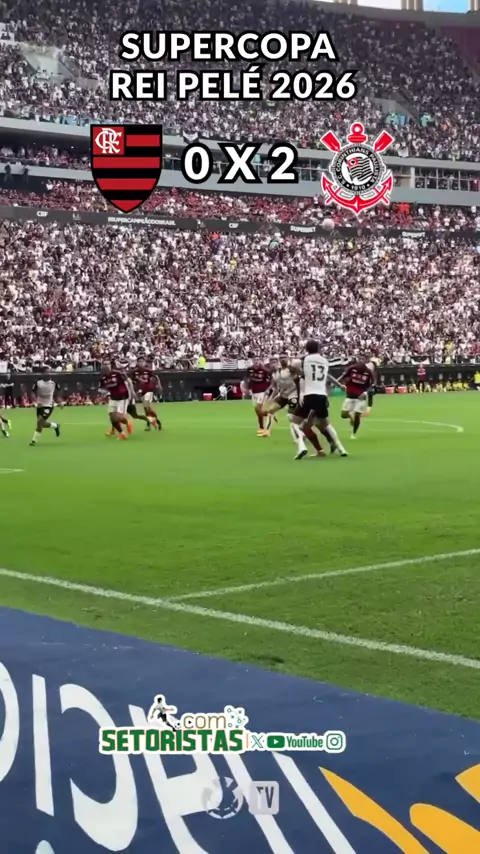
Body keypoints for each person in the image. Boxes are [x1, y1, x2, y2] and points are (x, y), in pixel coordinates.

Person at [290, 340, 348, 458]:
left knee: (294, 421)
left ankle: (301, 447)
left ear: (306, 349)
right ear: (319, 349)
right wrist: (339, 385)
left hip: (309, 394)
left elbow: (299, 371)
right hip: (322, 395)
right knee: (325, 424)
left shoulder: (305, 360)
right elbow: (326, 375)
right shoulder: (324, 361)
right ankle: (341, 448)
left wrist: (295, 370)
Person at [339, 360, 375, 439]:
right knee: (343, 414)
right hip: (350, 395)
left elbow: (371, 384)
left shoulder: (368, 372)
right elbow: (343, 377)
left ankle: (353, 434)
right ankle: (351, 417)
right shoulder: (351, 368)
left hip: (361, 397)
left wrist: (365, 392)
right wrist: (343, 384)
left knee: (357, 415)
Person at [100, 361, 134, 440]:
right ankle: (122, 433)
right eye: (105, 364)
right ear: (102, 366)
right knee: (112, 416)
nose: (106, 365)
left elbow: (129, 381)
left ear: (110, 365)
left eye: (108, 364)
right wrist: (103, 392)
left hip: (122, 397)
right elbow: (102, 388)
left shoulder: (117, 373)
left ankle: (127, 422)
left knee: (118, 417)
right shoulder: (103, 377)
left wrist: (132, 393)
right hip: (113, 398)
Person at [30, 366, 62, 446]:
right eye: (46, 372)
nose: (48, 373)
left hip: (49, 405)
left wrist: (59, 401)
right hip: (40, 405)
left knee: (39, 421)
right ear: (42, 373)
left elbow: (59, 391)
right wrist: (36, 401)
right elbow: (32, 392)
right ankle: (55, 426)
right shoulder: (38, 382)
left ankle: (34, 441)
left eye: (49, 372)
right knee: (42, 424)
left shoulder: (54, 383)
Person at [129, 358, 162, 431]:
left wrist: (159, 385)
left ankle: (148, 424)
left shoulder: (148, 371)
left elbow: (156, 377)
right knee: (147, 410)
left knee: (147, 407)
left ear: (145, 363)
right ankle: (157, 421)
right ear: (137, 363)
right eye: (139, 361)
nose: (141, 363)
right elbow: (130, 380)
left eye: (142, 361)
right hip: (140, 392)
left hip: (148, 390)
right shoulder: (134, 372)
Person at [242, 359, 272, 436]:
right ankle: (263, 425)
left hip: (262, 392)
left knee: (258, 409)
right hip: (254, 392)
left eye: (257, 362)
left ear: (259, 363)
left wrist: (269, 389)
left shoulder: (264, 370)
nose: (256, 364)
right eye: (254, 362)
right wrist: (246, 388)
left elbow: (271, 379)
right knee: (257, 411)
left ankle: (268, 417)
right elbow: (246, 378)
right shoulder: (249, 369)